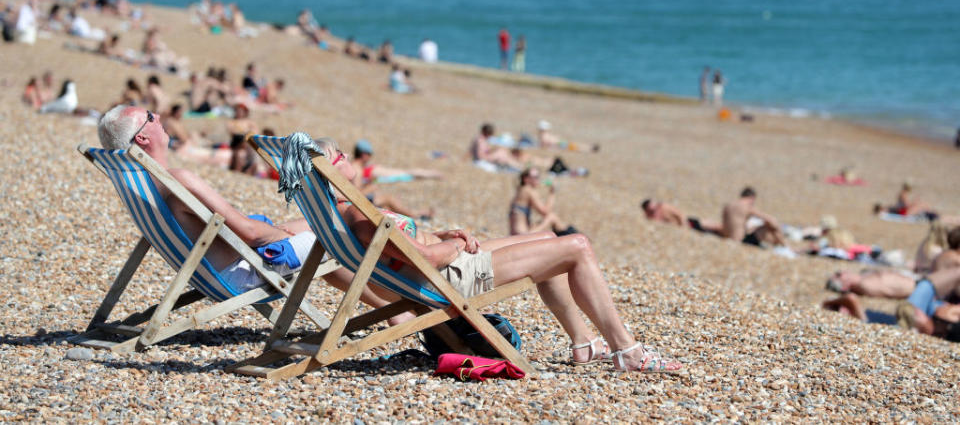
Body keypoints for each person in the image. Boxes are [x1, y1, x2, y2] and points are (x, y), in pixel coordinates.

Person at [281, 135, 685, 373]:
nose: (348, 159)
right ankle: (627, 350)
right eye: (340, 157)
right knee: (577, 246)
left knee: (546, 237)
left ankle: (583, 341)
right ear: (330, 168)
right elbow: (424, 259)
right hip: (446, 278)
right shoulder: (357, 213)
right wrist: (455, 244)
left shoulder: (341, 212)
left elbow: (398, 250)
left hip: (426, 270)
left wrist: (436, 235)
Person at [95, 106, 413, 320]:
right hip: (246, 269)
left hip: (222, 263)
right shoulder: (179, 180)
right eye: (151, 116)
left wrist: (287, 232)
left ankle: (393, 302)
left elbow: (243, 232)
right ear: (142, 138)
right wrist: (286, 235)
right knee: (336, 230)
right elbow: (250, 234)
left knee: (330, 220)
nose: (159, 116)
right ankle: (400, 300)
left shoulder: (138, 182)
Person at [508, 168, 577, 236]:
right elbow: (545, 211)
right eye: (535, 177)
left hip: (517, 233)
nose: (538, 179)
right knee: (552, 217)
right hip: (522, 235)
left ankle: (570, 236)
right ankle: (572, 237)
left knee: (545, 220)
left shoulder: (521, 190)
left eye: (538, 177)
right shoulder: (528, 190)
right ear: (526, 179)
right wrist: (552, 193)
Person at [352, 139, 442, 184]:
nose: (370, 157)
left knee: (408, 173)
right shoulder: (358, 167)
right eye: (370, 154)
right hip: (373, 171)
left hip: (374, 171)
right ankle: (433, 174)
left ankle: (432, 174)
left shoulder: (353, 165)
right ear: (364, 155)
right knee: (407, 173)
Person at [720, 187, 787, 247]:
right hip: (740, 240)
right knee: (770, 226)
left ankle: (782, 245)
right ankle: (785, 246)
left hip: (726, 236)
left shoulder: (728, 205)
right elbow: (771, 220)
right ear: (752, 197)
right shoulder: (747, 206)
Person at [641, 199, 723, 236]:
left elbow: (679, 214)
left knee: (716, 227)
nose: (655, 209)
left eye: (656, 207)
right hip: (685, 227)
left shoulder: (664, 207)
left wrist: (684, 226)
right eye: (652, 210)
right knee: (714, 233)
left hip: (689, 223)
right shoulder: (651, 216)